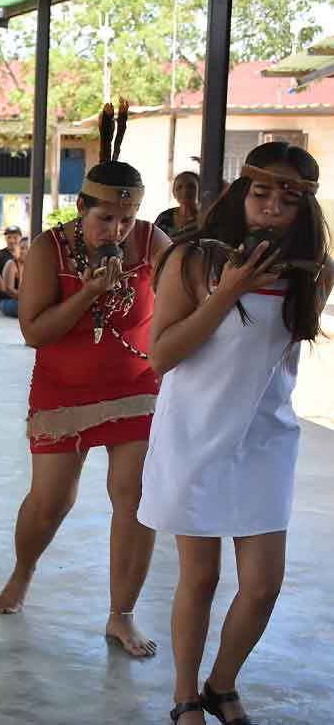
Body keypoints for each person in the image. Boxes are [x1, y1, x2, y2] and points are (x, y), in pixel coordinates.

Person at [139, 144, 332, 725]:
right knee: (200, 576)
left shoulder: (315, 272)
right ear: (240, 194)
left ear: (305, 206)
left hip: (265, 439)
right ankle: (183, 698)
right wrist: (228, 294)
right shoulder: (193, 261)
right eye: (262, 192)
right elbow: (162, 357)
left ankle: (221, 684)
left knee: (264, 583)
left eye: (289, 197)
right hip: (193, 437)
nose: (273, 206)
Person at [0, 101, 171, 659]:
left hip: (137, 383)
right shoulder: (49, 249)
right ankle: (24, 569)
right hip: (64, 390)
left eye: (125, 219)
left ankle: (121, 615)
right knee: (52, 501)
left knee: (134, 497)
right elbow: (34, 332)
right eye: (105, 220)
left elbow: (180, 304)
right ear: (80, 208)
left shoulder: (151, 243)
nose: (117, 230)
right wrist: (91, 292)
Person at [154, 171, 200, 237]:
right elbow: (153, 242)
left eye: (191, 186)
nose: (185, 191)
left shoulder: (207, 218)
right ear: (174, 193)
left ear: (200, 190)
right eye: (179, 187)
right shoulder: (164, 218)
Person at [0, 239, 26, 318]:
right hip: (9, 301)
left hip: (26, 300)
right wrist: (26, 299)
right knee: (28, 308)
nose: (23, 251)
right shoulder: (11, 264)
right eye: (22, 248)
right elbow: (9, 289)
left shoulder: (31, 266)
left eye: (27, 248)